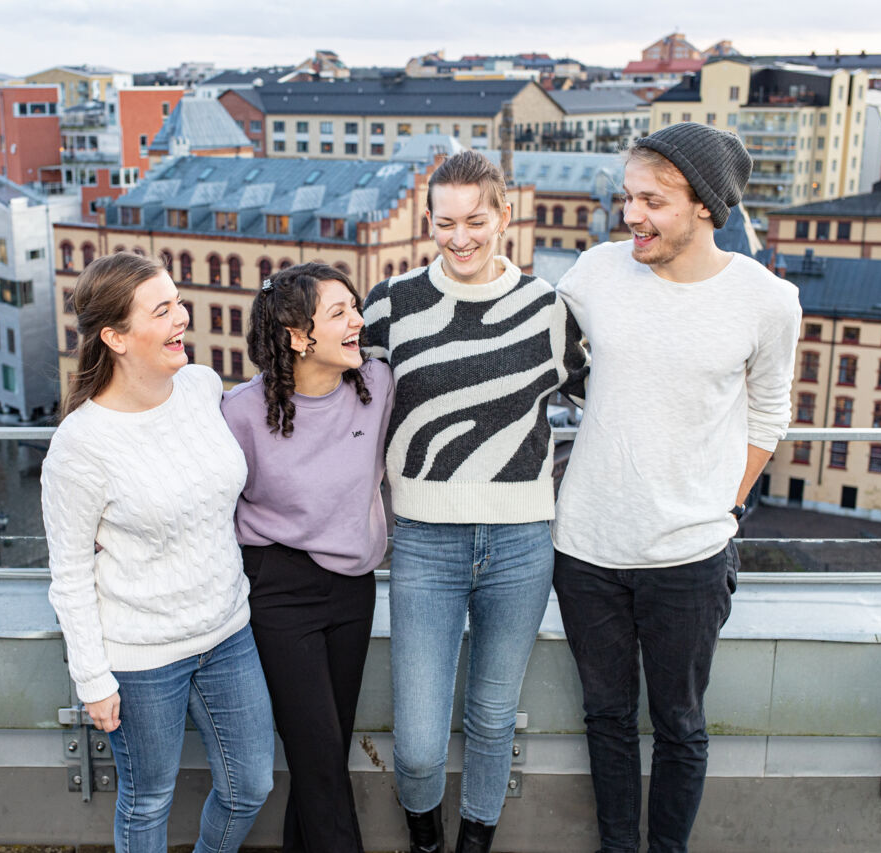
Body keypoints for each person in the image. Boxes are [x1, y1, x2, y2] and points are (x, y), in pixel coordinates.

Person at [552, 123, 801, 853]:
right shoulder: (595, 271)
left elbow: (770, 409)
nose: (632, 214)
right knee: (604, 717)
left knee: (681, 725)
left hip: (689, 557)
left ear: (706, 207)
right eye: (628, 196)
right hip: (586, 548)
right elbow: (528, 347)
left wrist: (723, 503)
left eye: (653, 200)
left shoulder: (766, 299)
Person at [362, 150, 589, 853]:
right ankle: (427, 840)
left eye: (476, 220)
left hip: (523, 541)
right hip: (426, 539)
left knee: (494, 717)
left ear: (504, 216)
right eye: (445, 222)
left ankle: (473, 846)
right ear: (429, 221)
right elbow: (343, 408)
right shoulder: (391, 306)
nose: (460, 237)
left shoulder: (548, 311)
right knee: (422, 738)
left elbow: (610, 404)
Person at [40, 252, 273, 853]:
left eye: (179, 302)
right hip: (140, 660)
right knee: (147, 803)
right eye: (163, 309)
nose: (183, 319)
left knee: (251, 785)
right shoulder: (80, 446)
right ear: (115, 336)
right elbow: (68, 573)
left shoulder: (200, 386)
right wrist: (93, 678)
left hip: (228, 634)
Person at [221, 262, 395, 853]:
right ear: (298, 337)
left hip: (353, 585)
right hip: (278, 587)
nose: (358, 322)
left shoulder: (378, 384)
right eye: (340, 312)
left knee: (327, 746)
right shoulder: (240, 412)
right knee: (318, 757)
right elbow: (201, 495)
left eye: (356, 307)